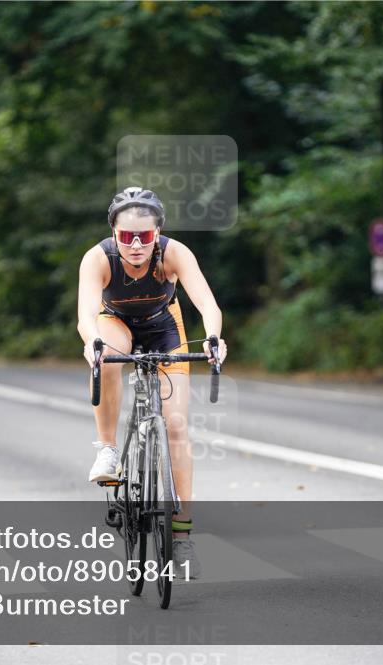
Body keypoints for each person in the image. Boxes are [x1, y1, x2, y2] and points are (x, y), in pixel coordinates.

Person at [77, 186, 227, 578]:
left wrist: (213, 337)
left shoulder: (174, 254)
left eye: (145, 236)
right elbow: (86, 314)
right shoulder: (98, 259)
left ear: (157, 234)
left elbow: (207, 303)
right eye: (127, 237)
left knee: (176, 428)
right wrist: (92, 343)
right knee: (109, 353)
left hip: (164, 328)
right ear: (114, 234)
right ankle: (107, 450)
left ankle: (182, 538)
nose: (136, 244)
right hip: (116, 325)